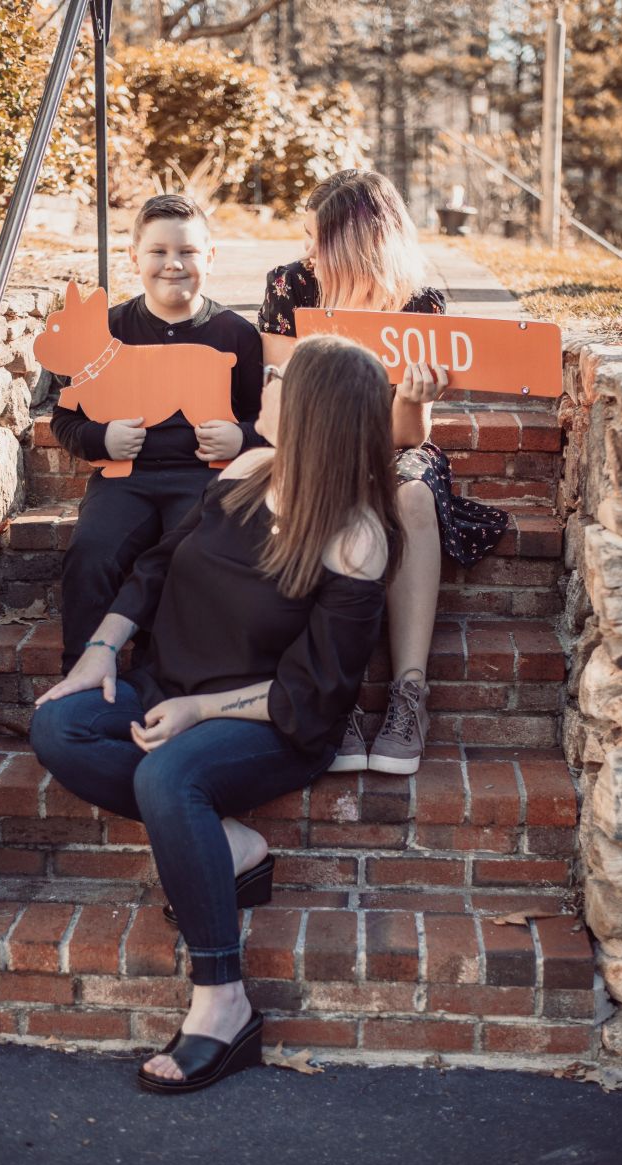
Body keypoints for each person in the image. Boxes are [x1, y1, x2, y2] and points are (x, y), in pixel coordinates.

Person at [30, 334, 402, 1093]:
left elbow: (316, 691)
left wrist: (201, 711)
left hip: (271, 722)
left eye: (280, 378)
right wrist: (103, 647)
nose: (264, 379)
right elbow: (159, 565)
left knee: (170, 778)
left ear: (313, 413)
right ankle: (230, 845)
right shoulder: (246, 468)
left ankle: (223, 1004)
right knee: (57, 727)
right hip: (167, 683)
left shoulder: (355, 538)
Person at [259, 171, 508, 775]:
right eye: (309, 240)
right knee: (316, 493)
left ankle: (408, 694)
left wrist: (415, 398)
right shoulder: (291, 286)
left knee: (416, 496)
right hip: (311, 442)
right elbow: (277, 408)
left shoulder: (422, 304)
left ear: (356, 243)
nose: (310, 253)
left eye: (321, 241)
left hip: (389, 445)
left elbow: (409, 436)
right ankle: (330, 690)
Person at [51, 193, 265, 673]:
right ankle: (79, 675)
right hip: (124, 481)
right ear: (134, 258)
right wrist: (101, 439)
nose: (173, 264)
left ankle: (163, 677)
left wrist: (242, 440)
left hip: (203, 481)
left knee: (191, 559)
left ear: (209, 257)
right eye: (158, 252)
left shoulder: (235, 335)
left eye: (188, 252)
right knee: (91, 552)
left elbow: (269, 424)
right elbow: (65, 419)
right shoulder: (107, 330)